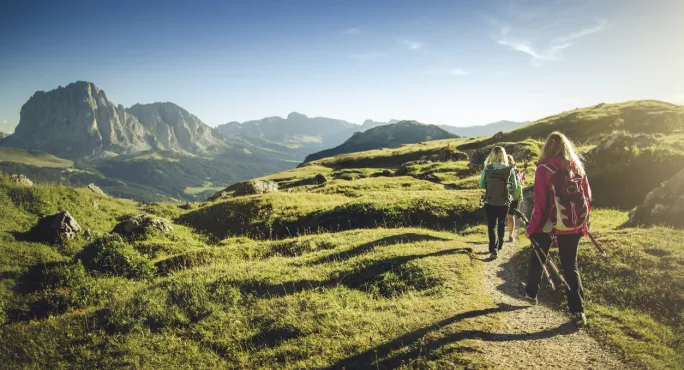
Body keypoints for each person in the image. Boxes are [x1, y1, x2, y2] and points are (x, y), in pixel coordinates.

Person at [520, 131, 592, 327]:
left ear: (547, 148)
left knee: (538, 256)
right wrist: (584, 223)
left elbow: (541, 205)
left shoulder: (544, 169)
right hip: (574, 224)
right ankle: (578, 311)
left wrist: (531, 228)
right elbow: (588, 196)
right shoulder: (577, 167)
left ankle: (531, 293)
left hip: (549, 224)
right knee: (571, 266)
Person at [479, 146, 520, 259]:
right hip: (504, 201)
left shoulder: (487, 168)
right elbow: (515, 186)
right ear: (504, 155)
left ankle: (493, 249)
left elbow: (481, 185)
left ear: (492, 155)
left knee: (492, 225)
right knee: (501, 223)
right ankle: (500, 245)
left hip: (490, 201)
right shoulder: (509, 169)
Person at [506, 155, 524, 242]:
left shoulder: (509, 170)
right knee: (510, 216)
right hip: (515, 196)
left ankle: (507, 235)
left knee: (506, 216)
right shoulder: (517, 171)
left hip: (508, 196)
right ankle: (510, 235)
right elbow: (521, 184)